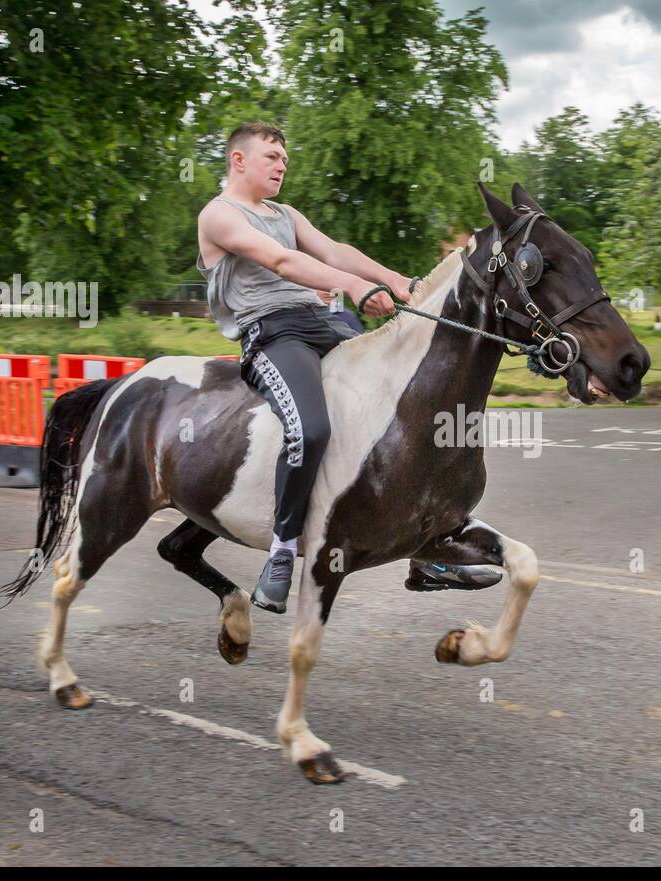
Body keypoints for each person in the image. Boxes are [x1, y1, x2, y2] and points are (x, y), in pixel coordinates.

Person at [196, 121, 499, 613]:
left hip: (323, 321)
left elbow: (336, 252)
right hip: (274, 333)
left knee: (402, 404)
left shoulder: (285, 213)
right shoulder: (219, 216)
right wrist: (354, 288)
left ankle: (427, 551)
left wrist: (398, 281)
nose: (282, 163)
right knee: (310, 428)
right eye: (271, 155)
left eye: (284, 157)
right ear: (238, 160)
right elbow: (282, 262)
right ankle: (281, 549)